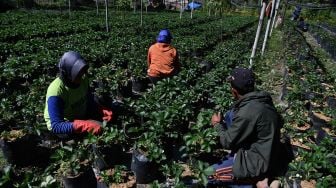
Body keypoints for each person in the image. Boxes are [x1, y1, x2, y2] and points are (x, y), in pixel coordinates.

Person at [208, 68, 288, 187]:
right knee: (231, 115)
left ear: (234, 90)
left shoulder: (248, 112)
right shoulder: (261, 100)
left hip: (255, 162)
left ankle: (255, 179)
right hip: (267, 153)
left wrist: (217, 125)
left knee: (206, 175)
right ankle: (260, 177)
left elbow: (227, 142)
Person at [44, 51, 113, 136]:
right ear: (68, 74)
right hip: (66, 122)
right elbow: (56, 125)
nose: (82, 75)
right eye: (77, 73)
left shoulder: (83, 78)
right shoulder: (56, 92)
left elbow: (89, 99)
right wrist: (83, 125)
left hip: (79, 112)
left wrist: (101, 109)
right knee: (93, 131)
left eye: (82, 71)